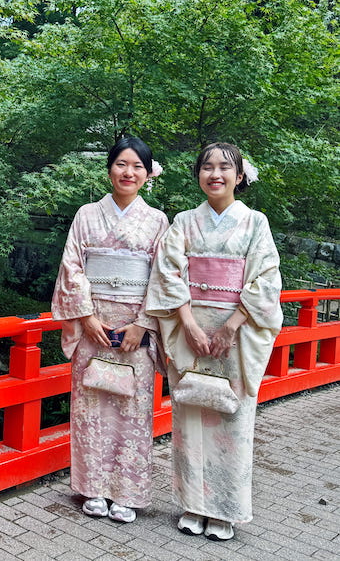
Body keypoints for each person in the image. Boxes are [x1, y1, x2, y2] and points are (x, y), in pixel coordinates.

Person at [146, 142, 282, 541]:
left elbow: (267, 280)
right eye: (207, 167)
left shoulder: (256, 222)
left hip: (236, 335)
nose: (215, 174)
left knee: (232, 418)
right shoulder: (185, 221)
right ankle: (192, 504)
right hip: (190, 329)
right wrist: (186, 322)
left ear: (239, 177)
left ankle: (225, 509)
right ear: (199, 175)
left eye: (225, 168)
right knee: (189, 416)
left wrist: (232, 326)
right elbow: (167, 271)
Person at [51, 137, 169, 524]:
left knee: (132, 411)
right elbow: (73, 268)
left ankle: (127, 492)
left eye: (137, 166)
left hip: (135, 330)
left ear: (148, 174)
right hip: (93, 326)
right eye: (121, 164)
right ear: (109, 169)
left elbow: (163, 278)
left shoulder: (157, 221)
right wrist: (85, 318)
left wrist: (143, 325)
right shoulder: (86, 214)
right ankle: (93, 488)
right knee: (91, 408)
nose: (128, 172)